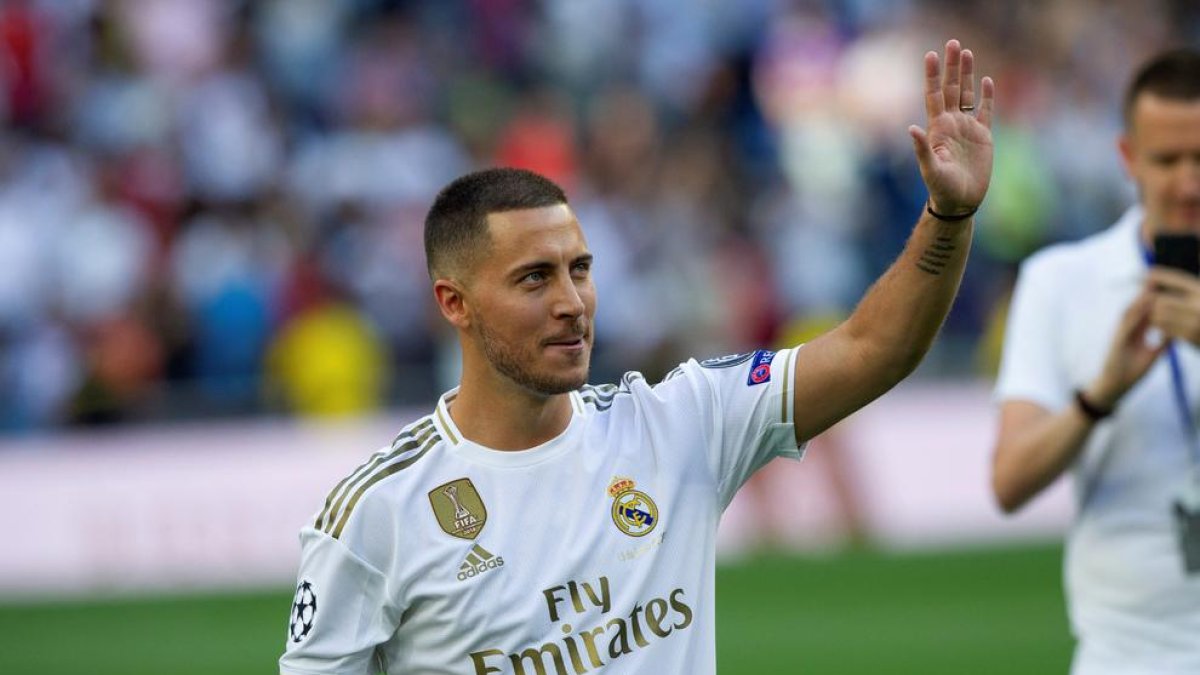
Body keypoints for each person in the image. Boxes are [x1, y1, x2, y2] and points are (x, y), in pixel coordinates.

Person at [280, 39, 994, 675]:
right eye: (535, 277)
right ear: (453, 302)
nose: (572, 301)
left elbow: (876, 346)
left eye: (580, 269)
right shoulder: (378, 512)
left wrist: (949, 217)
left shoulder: (679, 421)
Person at [991, 48, 1200, 673]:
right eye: (1167, 160)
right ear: (1128, 158)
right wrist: (1099, 395)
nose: (1188, 183)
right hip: (1125, 655)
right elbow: (1010, 482)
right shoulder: (1061, 280)